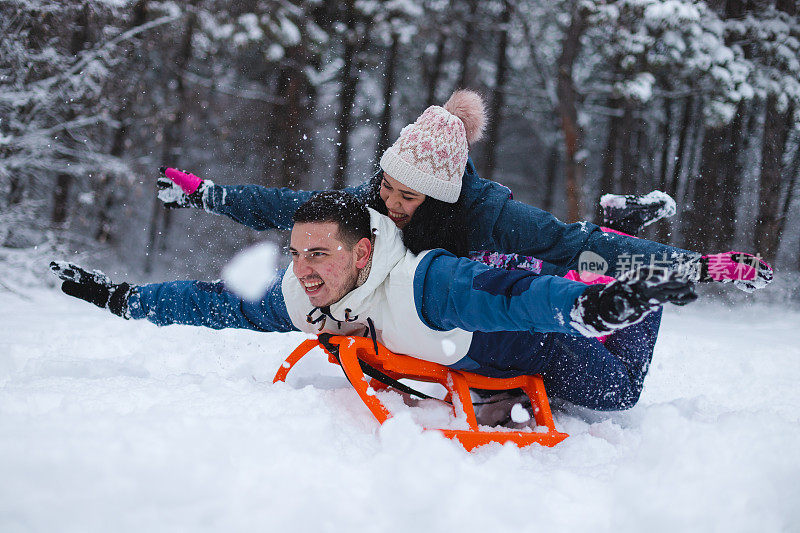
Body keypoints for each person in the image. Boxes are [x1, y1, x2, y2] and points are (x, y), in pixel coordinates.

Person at [50, 191, 697, 413]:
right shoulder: (315, 290)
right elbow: (218, 301)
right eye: (297, 253)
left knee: (619, 392)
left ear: (362, 255)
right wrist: (125, 299)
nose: (302, 272)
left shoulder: (418, 282)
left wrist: (583, 310)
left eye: (319, 255)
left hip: (535, 328)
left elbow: (506, 296)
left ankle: (622, 236)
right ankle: (606, 244)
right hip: (511, 298)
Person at [155, 89, 772, 290]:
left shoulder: (488, 213)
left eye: (407, 196)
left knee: (578, 262)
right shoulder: (373, 197)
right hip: (443, 273)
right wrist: (208, 193)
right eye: (388, 187)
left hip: (498, 254)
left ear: (441, 194)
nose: (391, 204)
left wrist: (700, 268)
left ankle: (627, 220)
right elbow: (288, 207)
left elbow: (572, 244)